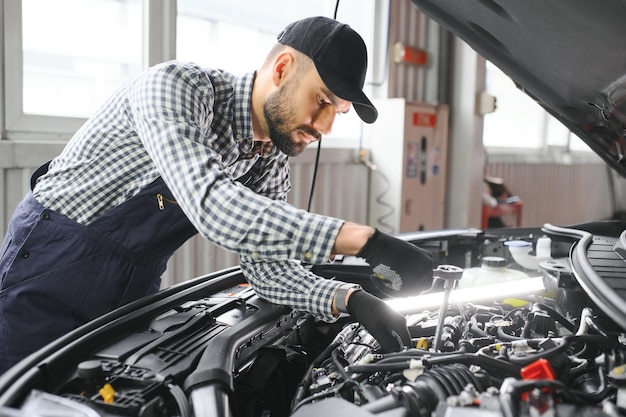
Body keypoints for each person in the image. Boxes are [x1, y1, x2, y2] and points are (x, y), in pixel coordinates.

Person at [0, 16, 433, 373]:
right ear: (281, 69)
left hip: (133, 284)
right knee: (23, 395)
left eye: (336, 114)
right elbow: (213, 206)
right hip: (50, 266)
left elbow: (270, 272)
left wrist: (351, 300)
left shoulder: (267, 158)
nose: (324, 128)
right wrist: (364, 240)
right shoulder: (177, 89)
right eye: (321, 101)